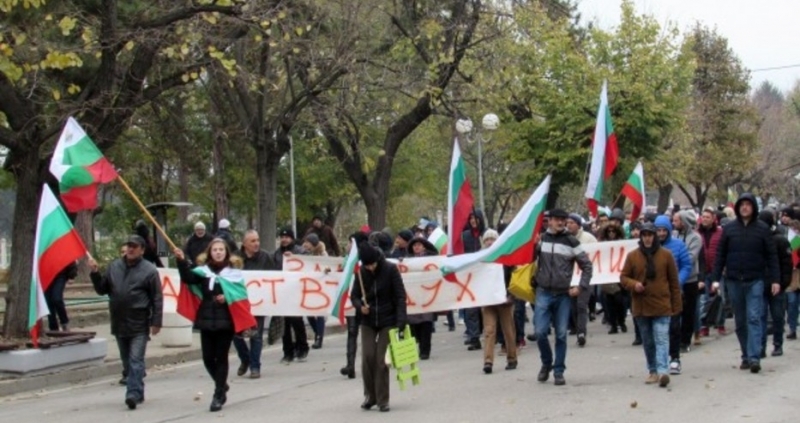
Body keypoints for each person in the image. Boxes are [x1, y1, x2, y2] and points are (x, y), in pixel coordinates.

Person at [88, 235, 162, 410]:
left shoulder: (150, 270)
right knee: (127, 361)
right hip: (119, 322)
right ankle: (138, 390)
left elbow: (157, 298)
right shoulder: (114, 266)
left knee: (136, 359)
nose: (130, 249)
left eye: (134, 246)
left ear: (142, 250)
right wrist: (95, 273)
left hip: (139, 323)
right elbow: (102, 289)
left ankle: (132, 393)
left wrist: (156, 321)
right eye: (128, 246)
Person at [711, 193, 779, 374]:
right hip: (734, 280)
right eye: (742, 204)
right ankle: (746, 355)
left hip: (755, 280)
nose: (745, 207)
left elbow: (772, 256)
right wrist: (715, 279)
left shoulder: (762, 229)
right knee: (740, 321)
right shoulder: (730, 229)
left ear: (753, 207)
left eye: (748, 204)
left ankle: (755, 357)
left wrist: (775, 280)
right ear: (738, 207)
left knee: (754, 318)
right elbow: (720, 256)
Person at [174, 239, 243, 412]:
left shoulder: (233, 273)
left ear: (226, 253)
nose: (218, 252)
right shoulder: (203, 272)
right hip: (206, 319)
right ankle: (222, 383)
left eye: (221, 250)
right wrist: (181, 261)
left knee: (221, 357)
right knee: (207, 358)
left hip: (225, 321)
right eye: (215, 250)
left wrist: (227, 297)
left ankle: (218, 394)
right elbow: (188, 279)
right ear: (209, 252)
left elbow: (241, 295)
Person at [533, 209, 593, 386]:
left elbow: (587, 266)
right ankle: (546, 363)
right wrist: (533, 246)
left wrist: (580, 287)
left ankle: (558, 371)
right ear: (549, 221)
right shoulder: (542, 239)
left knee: (561, 334)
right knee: (540, 332)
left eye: (563, 220)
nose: (560, 222)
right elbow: (529, 259)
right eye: (556, 219)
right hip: (543, 291)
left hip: (563, 295)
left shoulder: (571, 241)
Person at [621, 223, 682, 388]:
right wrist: (634, 285)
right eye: (644, 235)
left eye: (650, 234)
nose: (647, 238)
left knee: (662, 338)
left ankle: (663, 371)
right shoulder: (633, 256)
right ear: (641, 237)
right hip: (641, 306)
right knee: (648, 341)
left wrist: (676, 306)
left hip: (662, 304)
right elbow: (623, 277)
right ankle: (652, 370)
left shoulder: (666, 255)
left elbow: (674, 283)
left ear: (655, 236)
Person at [350, 242, 407, 413]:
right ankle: (370, 395)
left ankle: (383, 399)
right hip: (368, 321)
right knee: (367, 357)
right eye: (366, 265)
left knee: (381, 360)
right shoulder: (361, 273)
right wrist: (360, 306)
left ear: (377, 260)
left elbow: (400, 296)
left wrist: (401, 321)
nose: (370, 268)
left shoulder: (390, 270)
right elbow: (354, 296)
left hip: (387, 320)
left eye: (372, 264)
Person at [233, 230, 276, 379]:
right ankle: (245, 359)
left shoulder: (266, 257)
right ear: (244, 244)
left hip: (259, 303)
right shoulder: (234, 258)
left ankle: (255, 366)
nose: (256, 243)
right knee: (236, 334)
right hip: (240, 304)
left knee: (256, 335)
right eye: (252, 241)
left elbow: (276, 276)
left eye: (257, 240)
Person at [653, 215, 692, 376]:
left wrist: (678, 281)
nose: (661, 233)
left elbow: (686, 265)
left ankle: (675, 357)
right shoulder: (649, 247)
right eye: (658, 230)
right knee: (657, 329)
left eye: (664, 230)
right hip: (655, 294)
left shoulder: (678, 245)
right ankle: (660, 359)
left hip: (673, 292)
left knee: (674, 326)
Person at [479, 229, 518, 374]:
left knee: (508, 330)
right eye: (487, 240)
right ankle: (488, 361)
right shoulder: (480, 259)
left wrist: (512, 296)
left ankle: (512, 357)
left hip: (504, 300)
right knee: (489, 331)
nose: (490, 242)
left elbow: (515, 278)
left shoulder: (506, 258)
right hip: (488, 301)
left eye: (492, 239)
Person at [757, 211, 791, 357]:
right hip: (761, 284)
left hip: (777, 285)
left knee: (777, 317)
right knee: (761, 317)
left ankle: (777, 344)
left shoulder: (780, 240)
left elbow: (786, 264)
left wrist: (783, 283)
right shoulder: (758, 239)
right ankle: (761, 346)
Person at [273, 227, 309, 363]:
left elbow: (308, 263)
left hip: (296, 291)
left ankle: (302, 347)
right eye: (282, 237)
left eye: (287, 237)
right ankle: (288, 351)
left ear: (292, 239)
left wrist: (293, 258)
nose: (284, 239)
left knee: (296, 321)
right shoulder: (276, 254)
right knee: (285, 323)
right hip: (282, 292)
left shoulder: (300, 251)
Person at [340, 232, 369, 379]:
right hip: (353, 300)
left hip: (368, 302)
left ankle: (374, 363)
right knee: (352, 332)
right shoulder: (348, 260)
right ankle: (350, 365)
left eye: (350, 242)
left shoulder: (371, 256)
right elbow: (341, 273)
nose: (347, 245)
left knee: (370, 334)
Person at [673, 210, 702, 350]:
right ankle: (675, 338)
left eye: (677, 221)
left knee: (688, 311)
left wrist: (675, 259)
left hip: (690, 279)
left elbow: (690, 258)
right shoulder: (673, 235)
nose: (674, 224)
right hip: (674, 278)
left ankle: (685, 340)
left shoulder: (695, 238)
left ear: (684, 222)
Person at [566, 213, 596, 347]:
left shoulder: (588, 238)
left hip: (584, 278)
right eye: (568, 222)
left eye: (572, 222)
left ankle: (581, 333)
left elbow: (597, 255)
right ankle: (576, 328)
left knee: (581, 305)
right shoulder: (564, 238)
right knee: (573, 307)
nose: (569, 225)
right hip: (570, 278)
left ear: (578, 225)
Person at [405, 237, 437, 360]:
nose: (416, 247)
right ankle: (418, 346)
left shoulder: (431, 259)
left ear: (424, 246)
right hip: (414, 296)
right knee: (415, 324)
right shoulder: (408, 261)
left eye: (419, 245)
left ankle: (425, 350)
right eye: (414, 245)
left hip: (427, 296)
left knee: (426, 323)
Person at [462, 210, 486, 351]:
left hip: (485, 276)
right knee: (470, 308)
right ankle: (474, 337)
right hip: (470, 276)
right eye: (470, 218)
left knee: (486, 309)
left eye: (475, 218)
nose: (472, 220)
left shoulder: (486, 234)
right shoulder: (466, 236)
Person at [303, 233, 328, 349]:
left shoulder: (322, 255)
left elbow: (327, 266)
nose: (305, 244)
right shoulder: (303, 254)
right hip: (308, 287)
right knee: (309, 313)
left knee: (319, 313)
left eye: (308, 242)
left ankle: (319, 338)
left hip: (320, 287)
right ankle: (317, 332)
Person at [45, 262, 77, 332]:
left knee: (57, 299)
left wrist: (72, 275)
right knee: (48, 301)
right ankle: (53, 327)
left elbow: (69, 258)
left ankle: (64, 322)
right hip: (46, 275)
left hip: (60, 275)